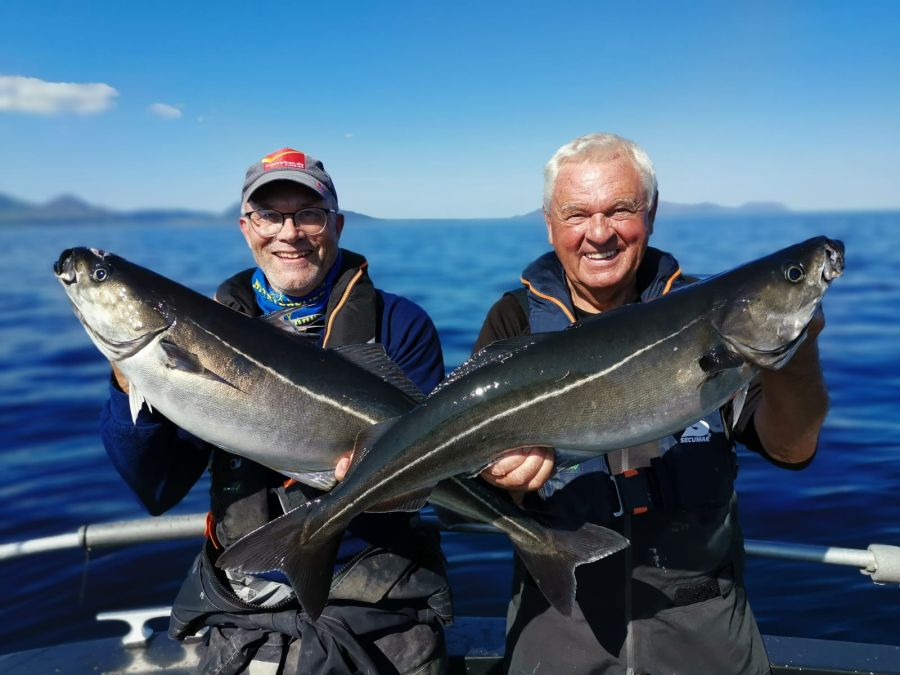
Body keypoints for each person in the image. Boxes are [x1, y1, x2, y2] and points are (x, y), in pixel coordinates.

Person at [474, 133, 829, 675]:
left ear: (652, 213)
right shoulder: (513, 324)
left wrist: (798, 354)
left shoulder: (719, 316)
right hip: (561, 626)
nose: (600, 233)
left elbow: (792, 447)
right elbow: (472, 480)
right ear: (550, 223)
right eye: (577, 214)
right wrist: (502, 479)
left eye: (621, 209)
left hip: (705, 631)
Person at [100, 147, 452, 674]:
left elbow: (427, 472)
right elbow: (157, 487)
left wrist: (379, 478)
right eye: (269, 214)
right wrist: (131, 378)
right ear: (246, 226)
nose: (289, 233)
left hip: (383, 612)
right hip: (246, 617)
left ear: (337, 223)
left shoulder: (399, 324)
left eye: (308, 213)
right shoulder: (200, 332)